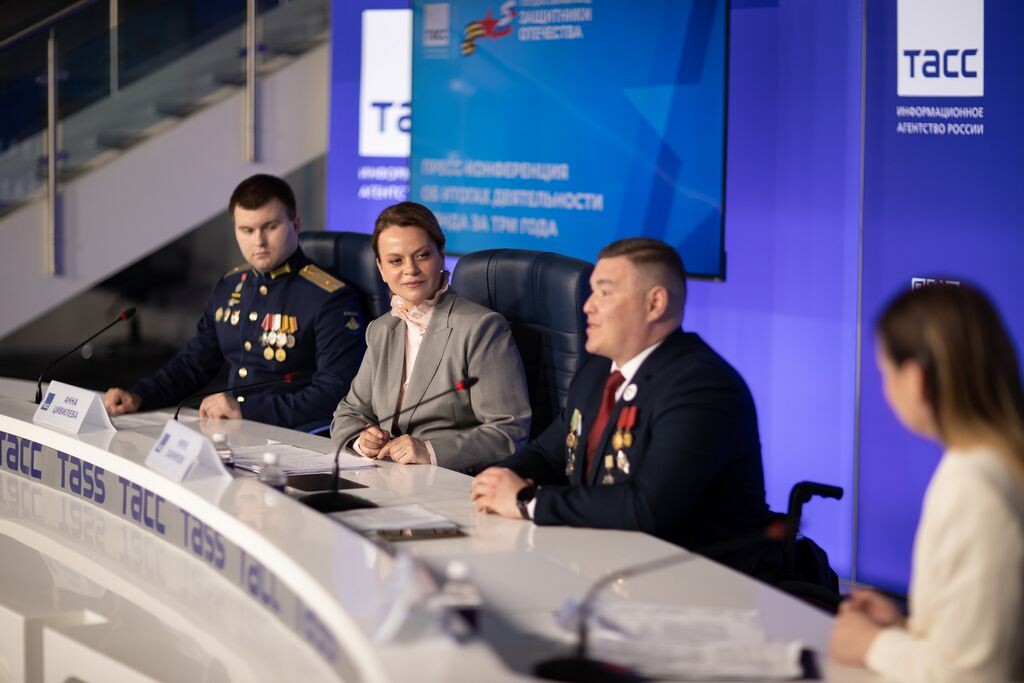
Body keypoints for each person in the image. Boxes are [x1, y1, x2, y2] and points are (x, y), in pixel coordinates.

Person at [470, 238, 773, 574]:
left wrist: (526, 501)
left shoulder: (702, 386)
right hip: (605, 564)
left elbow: (647, 508)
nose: (588, 306)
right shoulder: (598, 371)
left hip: (692, 583)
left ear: (655, 303)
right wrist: (498, 479)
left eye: (605, 292)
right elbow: (548, 454)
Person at [829, 283, 1024, 681]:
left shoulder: (972, 487)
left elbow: (975, 676)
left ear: (915, 379)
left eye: (885, 372)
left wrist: (872, 643)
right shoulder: (999, 465)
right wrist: (908, 629)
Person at [103, 174, 366, 429]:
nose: (259, 241)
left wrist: (249, 411)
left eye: (270, 227)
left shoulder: (329, 297)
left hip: (297, 434)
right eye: (247, 230)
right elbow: (193, 364)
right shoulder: (231, 286)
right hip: (235, 430)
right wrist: (140, 396)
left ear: (295, 225)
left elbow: (334, 392)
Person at [330, 201, 530, 474]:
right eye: (395, 261)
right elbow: (349, 412)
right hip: (387, 476)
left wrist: (430, 450)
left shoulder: (481, 328)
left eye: (422, 255)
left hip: (449, 480)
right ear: (381, 269)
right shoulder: (381, 329)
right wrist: (361, 439)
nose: (410, 269)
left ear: (441, 255)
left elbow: (509, 431)